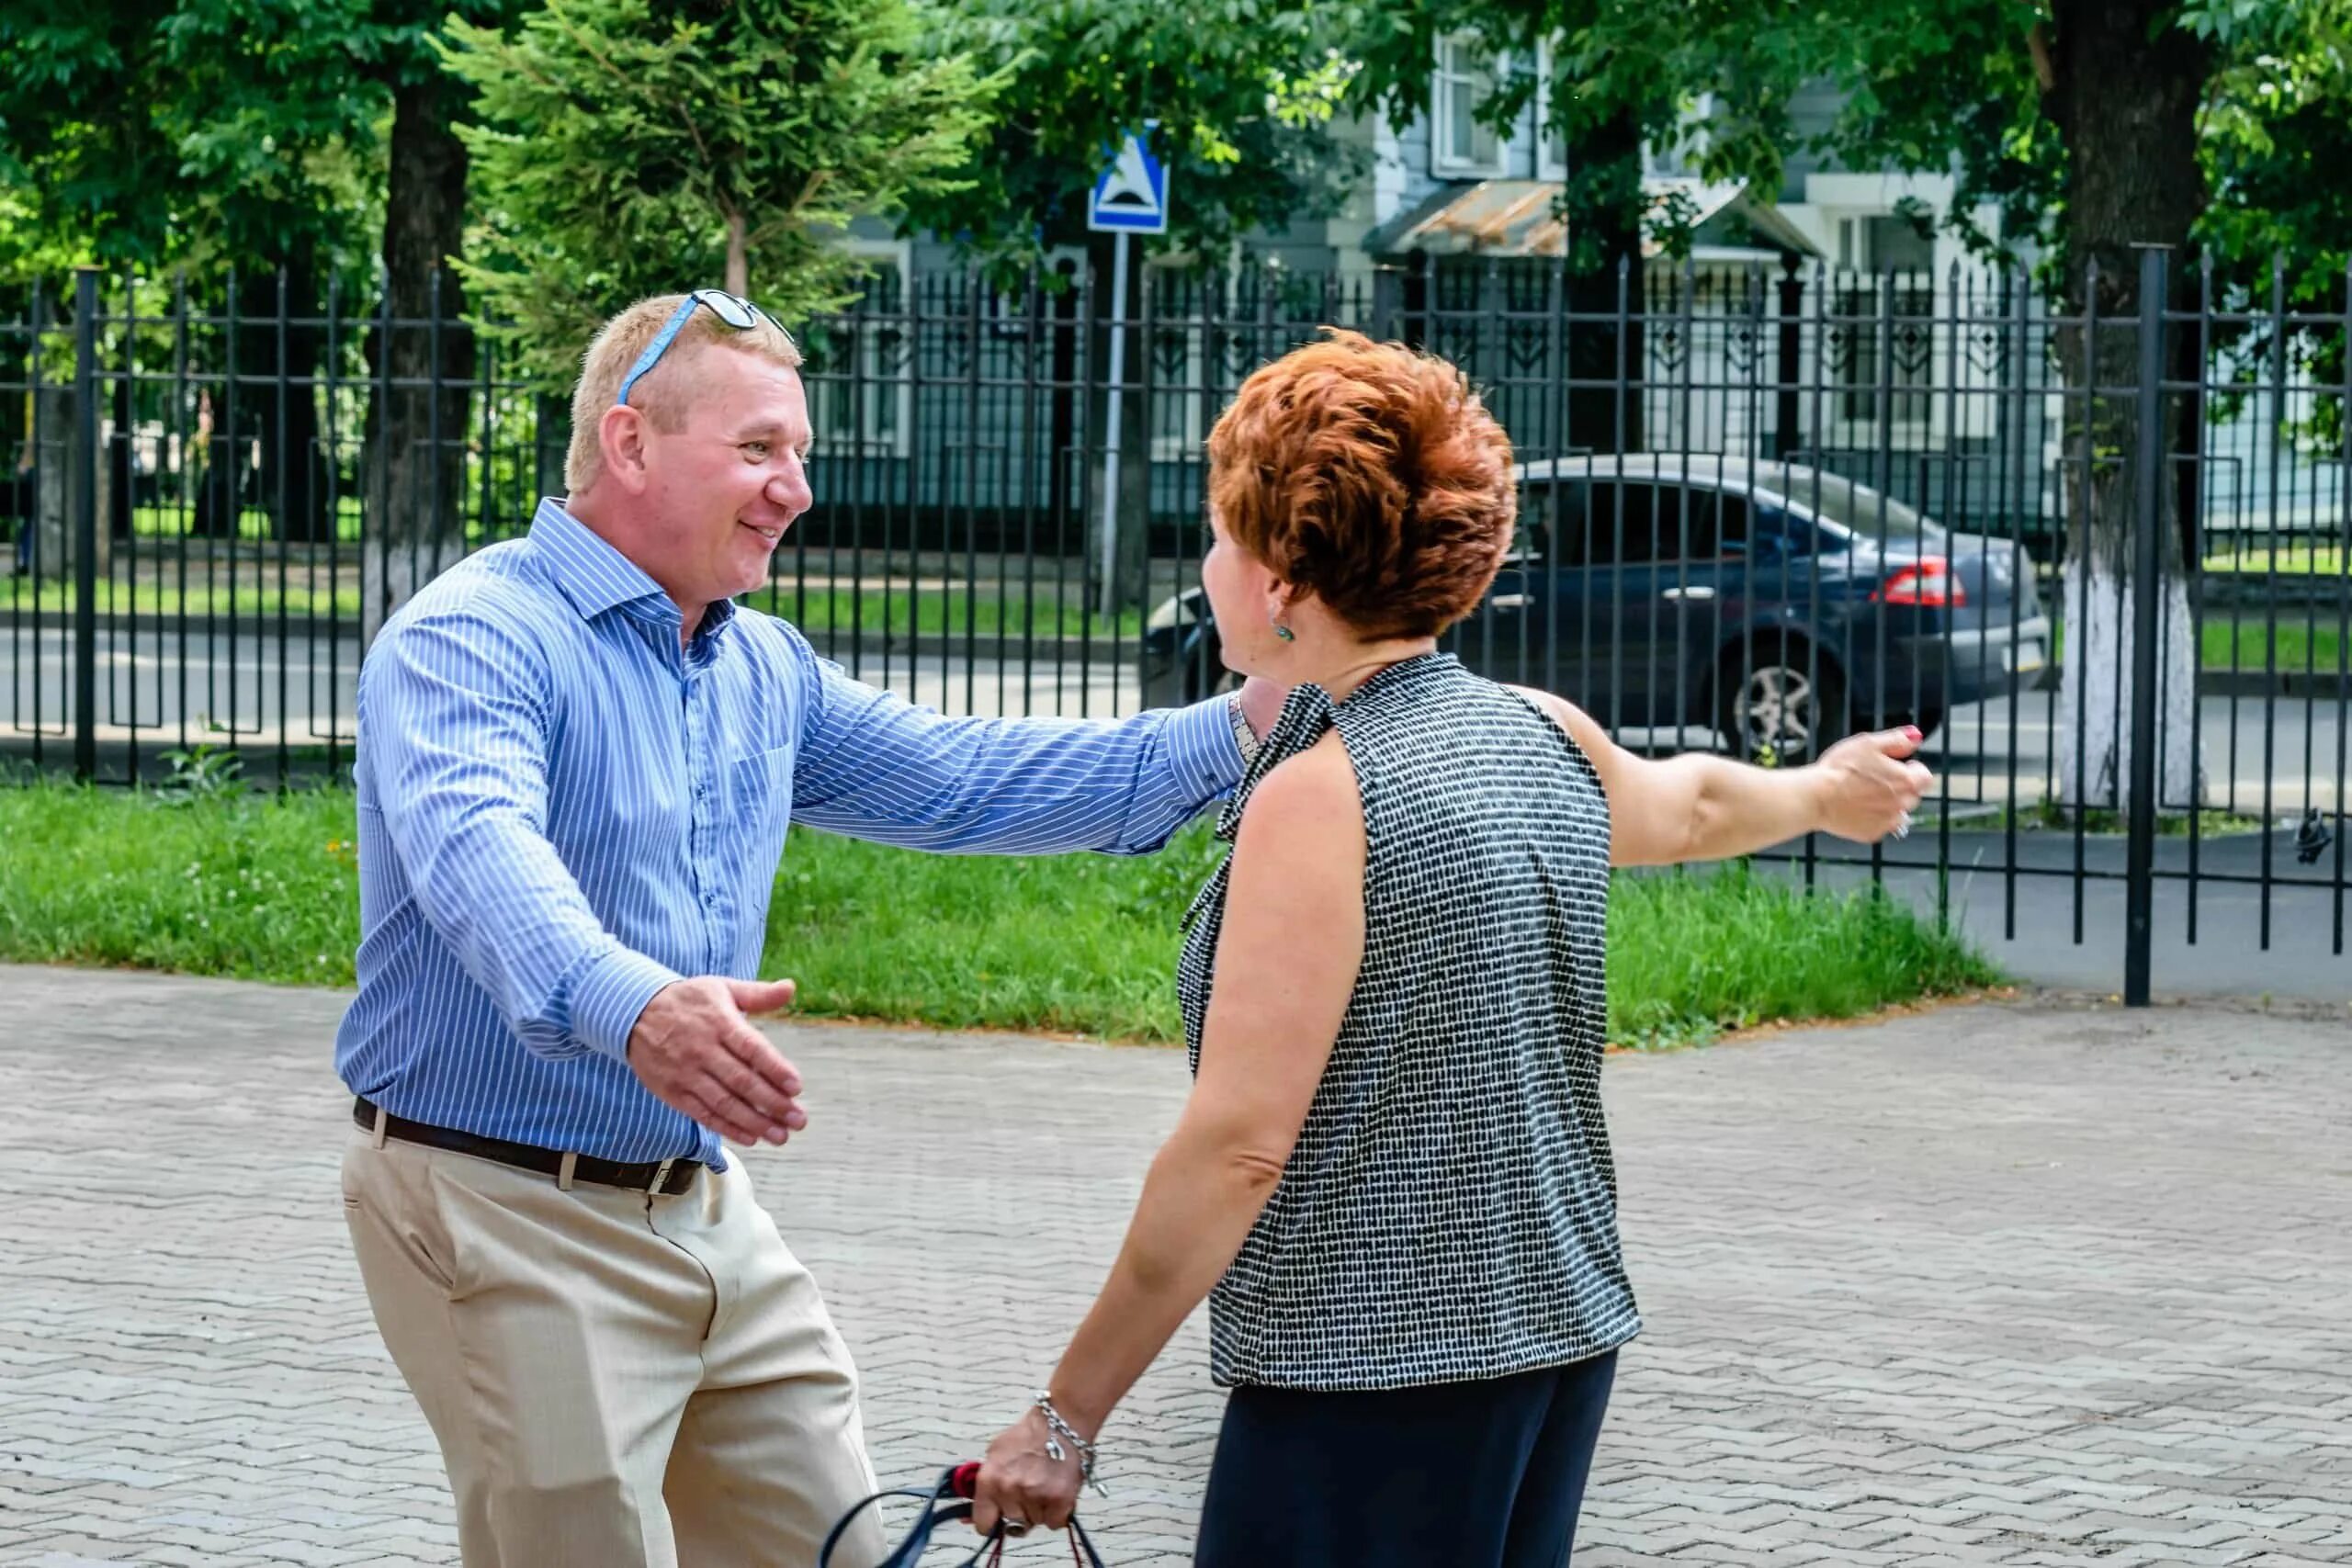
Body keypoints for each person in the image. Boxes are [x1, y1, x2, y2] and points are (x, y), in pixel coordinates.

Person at [334, 288, 1285, 1568]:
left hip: (699, 1204)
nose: (797, 488)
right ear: (628, 444)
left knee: (831, 1543)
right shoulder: (471, 637)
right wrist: (638, 1006)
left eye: (802, 453)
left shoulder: (754, 664)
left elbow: (960, 778)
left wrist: (1241, 728)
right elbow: (478, 855)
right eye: (759, 450)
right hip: (501, 1205)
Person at [972, 330, 1934, 1563]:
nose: (1205, 561)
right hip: (1556, 1338)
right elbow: (1688, 806)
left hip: (1373, 1375)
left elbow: (1238, 1150)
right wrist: (1821, 789)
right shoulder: (1534, 731)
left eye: (1220, 534)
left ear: (1281, 581)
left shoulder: (1324, 792)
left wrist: (1067, 1416)